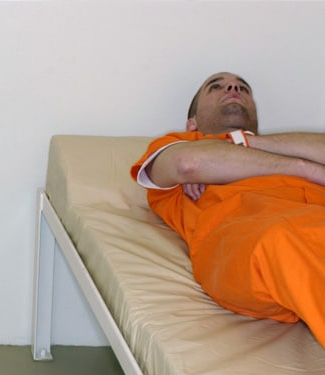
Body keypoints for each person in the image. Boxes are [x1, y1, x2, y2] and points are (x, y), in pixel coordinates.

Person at [130, 72, 325, 346]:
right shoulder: (182, 143)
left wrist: (246, 141)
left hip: (314, 227)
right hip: (248, 245)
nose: (233, 87)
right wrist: (304, 168)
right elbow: (188, 163)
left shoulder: (280, 145)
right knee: (280, 239)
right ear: (192, 122)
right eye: (216, 86)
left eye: (242, 87)